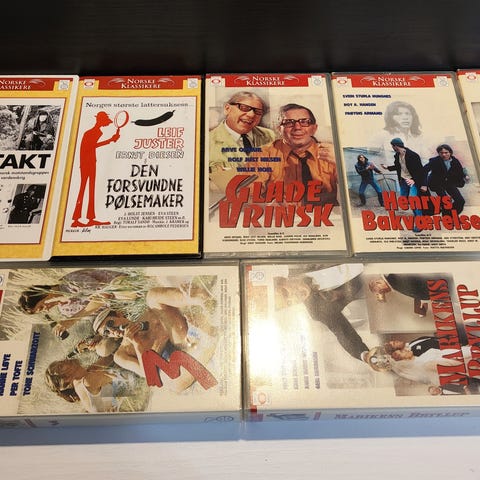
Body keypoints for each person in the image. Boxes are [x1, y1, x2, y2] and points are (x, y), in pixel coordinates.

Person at [274, 264, 370, 362]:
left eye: (285, 293)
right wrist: (365, 356)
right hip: (371, 278)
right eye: (289, 303)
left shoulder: (299, 263)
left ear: (283, 279)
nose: (294, 297)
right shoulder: (316, 309)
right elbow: (342, 332)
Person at [257, 103, 338, 205]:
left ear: (314, 128)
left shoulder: (332, 153)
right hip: (282, 214)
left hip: (329, 213)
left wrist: (341, 165)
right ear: (279, 129)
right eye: (289, 122)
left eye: (304, 122)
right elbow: (247, 194)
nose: (297, 127)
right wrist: (266, 207)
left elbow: (353, 192)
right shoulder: (263, 154)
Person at [209, 91, 275, 191]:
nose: (251, 115)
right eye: (244, 108)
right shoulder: (209, 142)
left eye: (258, 112)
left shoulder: (270, 136)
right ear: (227, 109)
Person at [71, 111, 120, 227]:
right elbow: (91, 146)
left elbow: (92, 146)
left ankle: (90, 218)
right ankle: (76, 220)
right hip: (86, 164)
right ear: (100, 121)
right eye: (105, 122)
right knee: (83, 189)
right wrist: (110, 140)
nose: (106, 124)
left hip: (91, 163)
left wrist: (111, 139)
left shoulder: (96, 132)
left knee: (91, 189)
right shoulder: (91, 132)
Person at [45, 357, 139, 413]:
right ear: (66, 378)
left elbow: (109, 357)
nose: (65, 360)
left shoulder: (80, 381)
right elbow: (129, 379)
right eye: (61, 366)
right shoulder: (88, 381)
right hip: (126, 410)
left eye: (60, 361)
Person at [381, 137, 427, 229]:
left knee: (413, 200)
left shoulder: (413, 155)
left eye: (392, 146)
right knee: (403, 199)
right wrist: (388, 167)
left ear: (395, 146)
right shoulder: (397, 155)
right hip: (403, 181)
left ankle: (420, 222)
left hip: (413, 180)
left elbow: (421, 171)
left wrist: (420, 183)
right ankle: (418, 210)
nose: (392, 148)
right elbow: (398, 166)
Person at [423, 144, 467, 214]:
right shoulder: (435, 161)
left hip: (448, 183)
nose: (444, 155)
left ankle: (451, 215)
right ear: (439, 153)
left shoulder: (455, 161)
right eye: (441, 153)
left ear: (450, 153)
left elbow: (460, 170)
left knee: (460, 201)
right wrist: (424, 184)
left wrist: (465, 176)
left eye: (446, 153)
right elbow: (424, 171)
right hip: (437, 183)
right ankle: (447, 215)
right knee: (446, 201)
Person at [368, 273, 437, 316]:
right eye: (382, 292)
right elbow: (414, 288)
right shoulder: (393, 283)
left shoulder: (392, 277)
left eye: (381, 290)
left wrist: (422, 302)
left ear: (378, 282)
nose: (384, 292)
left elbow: (416, 283)